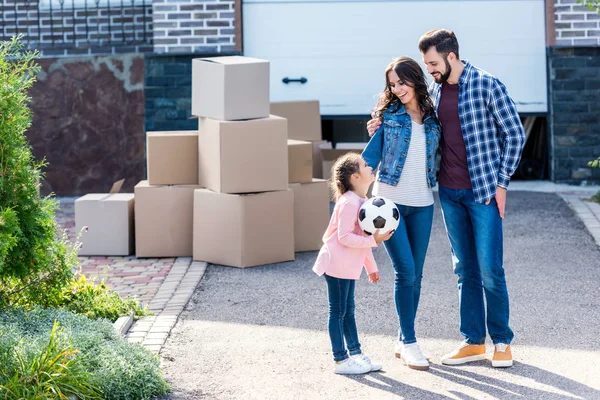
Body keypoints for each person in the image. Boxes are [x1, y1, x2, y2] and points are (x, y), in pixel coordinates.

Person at [367, 29, 525, 368]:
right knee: (464, 269)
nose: (430, 69)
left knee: (490, 269)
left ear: (451, 56)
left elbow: (515, 133)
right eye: (427, 64)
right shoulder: (435, 93)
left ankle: (501, 342)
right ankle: (472, 341)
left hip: (482, 191)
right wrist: (379, 127)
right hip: (449, 194)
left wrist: (502, 184)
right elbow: (413, 132)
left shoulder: (487, 84)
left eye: (434, 63)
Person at [361, 56, 441, 371]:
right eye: (392, 85)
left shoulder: (433, 117)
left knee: (415, 275)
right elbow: (369, 159)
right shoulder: (388, 117)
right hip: (388, 205)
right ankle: (409, 342)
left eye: (401, 83)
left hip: (423, 203)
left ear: (414, 80)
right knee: (405, 271)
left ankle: (403, 338)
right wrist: (349, 199)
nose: (397, 89)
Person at [313, 153, 393, 375]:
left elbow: (360, 240)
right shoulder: (349, 202)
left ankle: (355, 354)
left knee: (348, 311)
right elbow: (344, 237)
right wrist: (374, 239)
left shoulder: (364, 203)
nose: (370, 167)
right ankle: (340, 360)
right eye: (366, 165)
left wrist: (372, 267)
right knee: (338, 312)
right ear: (356, 177)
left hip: (348, 266)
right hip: (336, 264)